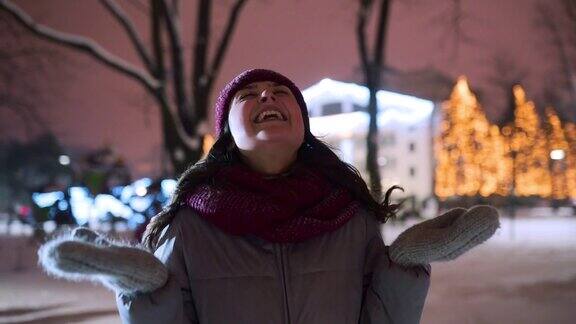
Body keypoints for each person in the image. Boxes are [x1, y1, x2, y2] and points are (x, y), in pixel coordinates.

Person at [38, 69, 499, 324]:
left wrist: (404, 268)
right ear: (225, 134)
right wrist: (143, 294)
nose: (266, 96)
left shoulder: (349, 216)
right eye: (249, 95)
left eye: (281, 92)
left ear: (303, 124)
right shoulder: (190, 225)